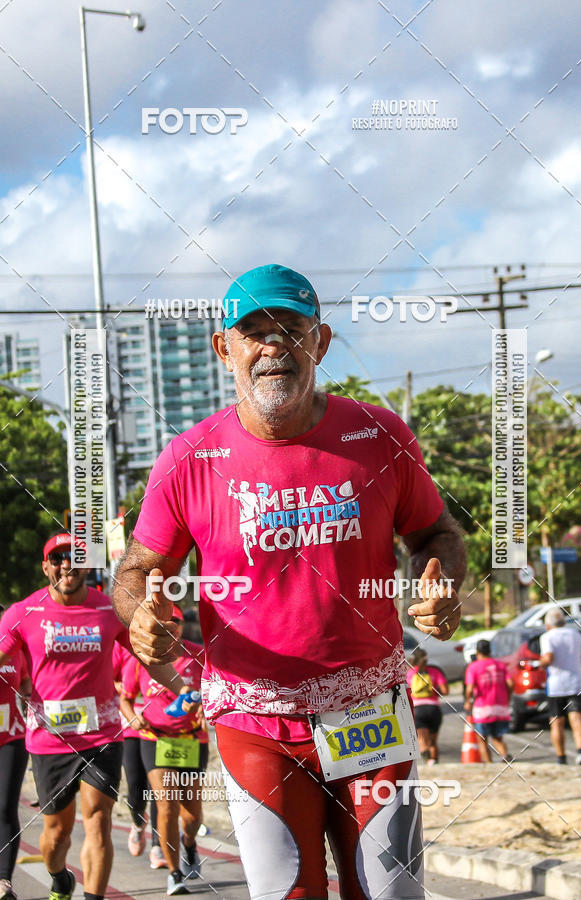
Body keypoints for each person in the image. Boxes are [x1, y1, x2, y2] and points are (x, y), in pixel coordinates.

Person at [113, 263, 466, 899]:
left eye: (290, 329)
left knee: (387, 894)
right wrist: (142, 616)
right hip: (256, 722)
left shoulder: (380, 434)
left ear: (320, 343)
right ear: (225, 349)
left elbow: (438, 536)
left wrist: (440, 587)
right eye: (253, 331)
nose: (273, 343)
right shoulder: (189, 459)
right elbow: (139, 570)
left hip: (369, 710)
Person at [0, 532, 187, 900]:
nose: (66, 565)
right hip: (50, 741)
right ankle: (59, 877)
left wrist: (187, 690)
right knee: (55, 835)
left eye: (74, 557)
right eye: (57, 559)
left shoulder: (111, 610)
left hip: (102, 735)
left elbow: (147, 655)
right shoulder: (24, 612)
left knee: (98, 820)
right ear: (46, 567)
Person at [119, 604, 208, 896]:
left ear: (181, 627)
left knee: (192, 814)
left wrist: (205, 708)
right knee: (166, 804)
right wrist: (133, 715)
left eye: (175, 623)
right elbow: (126, 698)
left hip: (193, 740)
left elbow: (219, 688)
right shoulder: (142, 658)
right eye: (164, 623)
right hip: (155, 738)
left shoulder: (200, 654)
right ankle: (174, 873)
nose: (170, 628)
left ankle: (190, 844)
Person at [112, 643, 165, 869]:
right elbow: (108, 678)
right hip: (132, 721)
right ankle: (137, 822)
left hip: (160, 725)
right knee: (136, 785)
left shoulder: (164, 644)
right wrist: (129, 688)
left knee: (159, 788)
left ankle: (158, 845)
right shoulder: (121, 644)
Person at [0, 609, 31, 900]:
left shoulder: (16, 651)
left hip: (12, 737)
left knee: (5, 807)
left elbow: (25, 682)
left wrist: (28, 693)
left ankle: (3, 881)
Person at [539, 608, 581, 765]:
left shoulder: (547, 637)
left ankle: (561, 757)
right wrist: (576, 662)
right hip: (576, 683)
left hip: (557, 685)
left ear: (548, 625)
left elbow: (548, 657)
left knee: (557, 722)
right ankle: (580, 752)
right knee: (577, 718)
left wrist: (541, 663)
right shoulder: (575, 634)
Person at [464, 639, 513, 763]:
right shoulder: (500, 665)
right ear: (490, 651)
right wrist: (508, 697)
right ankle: (505, 755)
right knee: (498, 739)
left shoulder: (473, 667)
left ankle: (490, 766)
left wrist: (468, 701)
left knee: (482, 740)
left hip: (482, 709)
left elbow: (469, 689)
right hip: (501, 707)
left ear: (477, 652)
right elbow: (510, 683)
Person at [406, 648, 448, 765]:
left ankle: (427, 758)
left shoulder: (410, 673)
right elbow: (445, 690)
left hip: (418, 709)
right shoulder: (435, 672)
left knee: (422, 740)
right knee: (433, 742)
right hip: (434, 709)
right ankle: (434, 762)